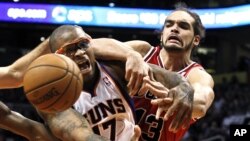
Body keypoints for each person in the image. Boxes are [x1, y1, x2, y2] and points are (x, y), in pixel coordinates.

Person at [41, 25, 194, 141]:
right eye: (70, 49)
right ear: (58, 58)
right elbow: (83, 136)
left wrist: (185, 88)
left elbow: (172, 78)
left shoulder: (115, 69)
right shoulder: (54, 95)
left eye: (83, 45)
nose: (80, 52)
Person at [91, 7, 215, 141]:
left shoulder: (196, 74)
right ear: (162, 35)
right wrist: (130, 55)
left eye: (183, 26)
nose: (174, 29)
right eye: (169, 25)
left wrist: (172, 98)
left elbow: (201, 104)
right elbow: (90, 46)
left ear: (196, 40)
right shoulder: (142, 52)